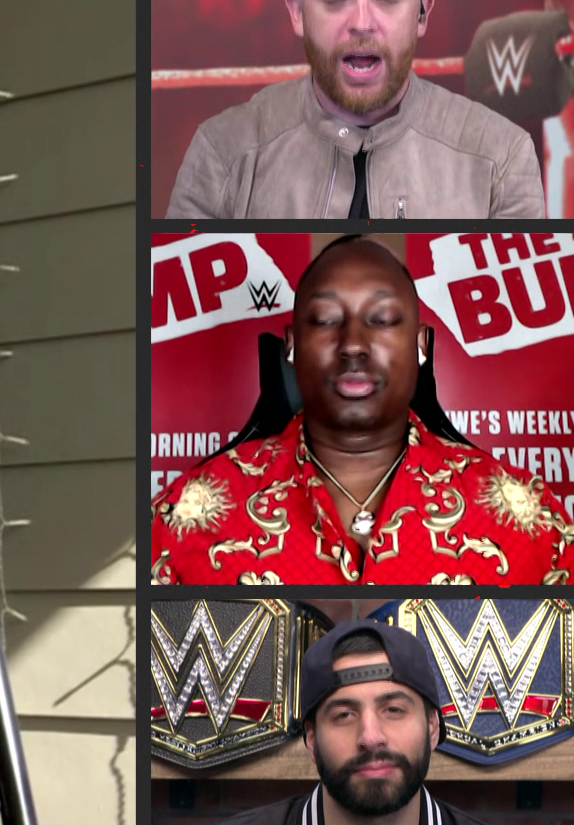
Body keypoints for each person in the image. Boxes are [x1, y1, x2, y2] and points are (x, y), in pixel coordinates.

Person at [149, 236, 574, 584]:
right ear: (292, 346)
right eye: (325, 319)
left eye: (382, 319)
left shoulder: (532, 521)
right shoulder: (181, 519)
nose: (353, 344)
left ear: (421, 345)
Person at [151, 620, 574, 825]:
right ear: (312, 740)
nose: (371, 736)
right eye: (344, 715)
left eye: (394, 709)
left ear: (432, 728)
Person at [164, 0, 545, 219]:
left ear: (421, 13)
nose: (362, 23)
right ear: (298, 13)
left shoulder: (501, 157)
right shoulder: (223, 152)